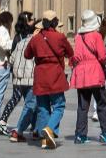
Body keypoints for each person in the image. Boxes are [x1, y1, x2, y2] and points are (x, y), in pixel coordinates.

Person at [24, 10, 73, 150]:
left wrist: (34, 40)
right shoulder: (60, 37)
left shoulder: (36, 38)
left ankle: (45, 139)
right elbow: (70, 53)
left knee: (43, 108)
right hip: (55, 73)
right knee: (59, 105)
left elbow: (27, 55)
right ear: (55, 22)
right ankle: (50, 129)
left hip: (40, 74)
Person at [71, 9, 106, 144]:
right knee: (102, 102)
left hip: (81, 73)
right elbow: (102, 56)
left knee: (82, 105)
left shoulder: (78, 37)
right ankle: (105, 133)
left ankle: (80, 134)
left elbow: (75, 56)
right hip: (95, 72)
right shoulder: (96, 36)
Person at [0, 11, 35, 135]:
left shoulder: (20, 36)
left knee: (27, 99)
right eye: (31, 19)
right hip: (23, 71)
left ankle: (33, 124)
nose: (33, 21)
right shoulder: (21, 37)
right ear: (26, 21)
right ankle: (3, 121)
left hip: (20, 71)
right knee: (19, 97)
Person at [6, 13, 37, 143]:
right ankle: (18, 131)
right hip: (31, 78)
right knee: (31, 104)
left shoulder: (20, 42)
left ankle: (36, 130)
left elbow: (11, 60)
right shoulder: (36, 43)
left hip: (19, 79)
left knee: (33, 104)